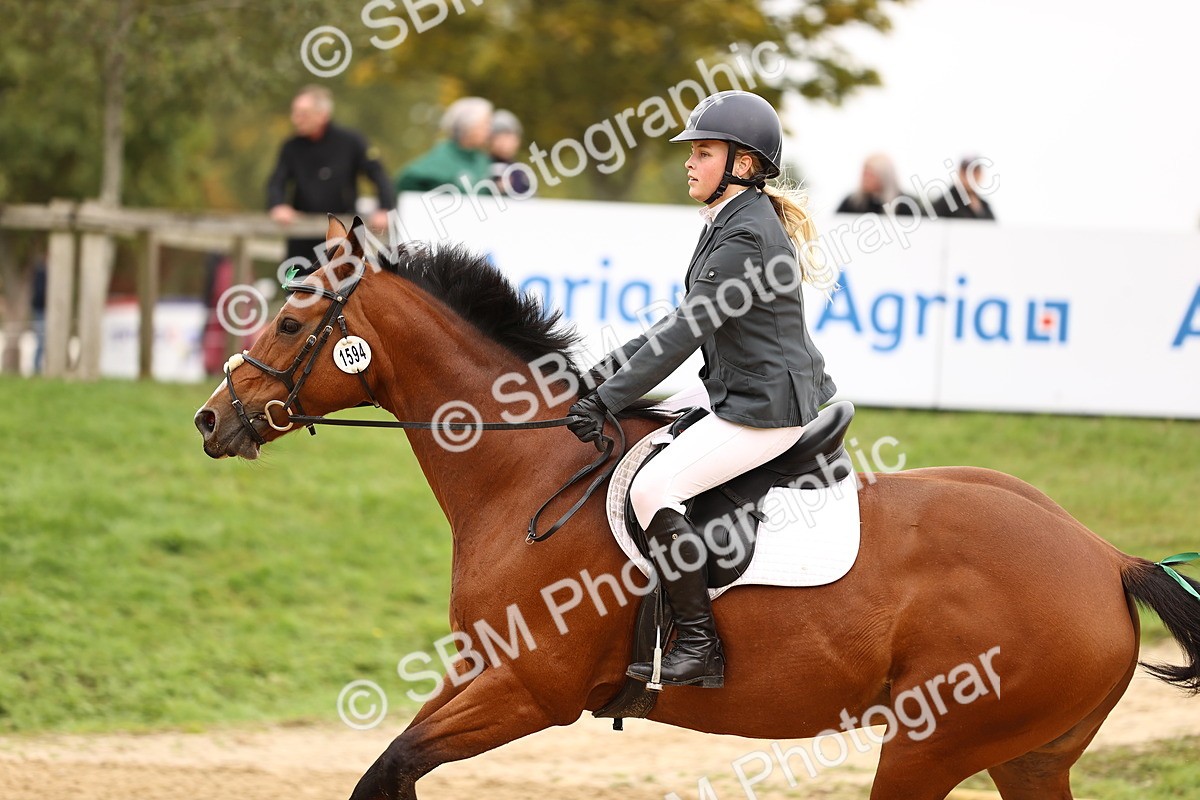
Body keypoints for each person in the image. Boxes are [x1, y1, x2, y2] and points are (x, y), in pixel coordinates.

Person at [568, 91, 837, 689]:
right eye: (692, 151)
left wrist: (604, 400)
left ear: (743, 164)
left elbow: (684, 334)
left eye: (704, 152)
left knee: (652, 487)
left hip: (763, 412)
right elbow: (674, 323)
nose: (690, 162)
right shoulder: (732, 221)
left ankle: (698, 641)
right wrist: (593, 377)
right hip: (741, 397)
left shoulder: (744, 236)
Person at [267, 85, 395, 271]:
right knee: (297, 291)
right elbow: (276, 181)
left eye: (303, 114)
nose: (295, 119)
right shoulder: (291, 147)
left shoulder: (351, 141)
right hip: (301, 236)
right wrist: (277, 205)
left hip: (342, 233)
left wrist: (385, 208)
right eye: (295, 113)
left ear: (322, 115)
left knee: (343, 292)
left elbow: (378, 174)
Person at [394, 97, 495, 194]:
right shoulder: (443, 157)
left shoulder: (482, 159)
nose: (489, 130)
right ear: (468, 126)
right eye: (485, 124)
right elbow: (408, 179)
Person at [837, 153, 918, 215]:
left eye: (870, 174)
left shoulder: (904, 204)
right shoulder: (852, 203)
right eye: (864, 174)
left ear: (884, 176)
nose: (865, 178)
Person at [928, 155, 996, 220]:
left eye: (974, 171)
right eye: (965, 171)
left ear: (980, 174)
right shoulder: (948, 201)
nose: (969, 176)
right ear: (959, 173)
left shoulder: (985, 206)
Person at [489, 109, 531, 197]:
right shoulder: (481, 165)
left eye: (508, 137)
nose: (504, 143)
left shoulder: (519, 172)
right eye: (499, 137)